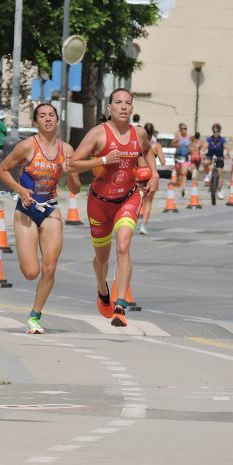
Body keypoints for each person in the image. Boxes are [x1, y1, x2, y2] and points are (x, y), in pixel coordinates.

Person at [69, 89, 158, 327]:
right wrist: (103, 160)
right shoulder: (98, 134)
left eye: (128, 103)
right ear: (109, 107)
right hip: (99, 203)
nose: (123, 107)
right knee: (102, 258)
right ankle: (102, 289)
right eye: (118, 102)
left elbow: (147, 152)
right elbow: (72, 165)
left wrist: (155, 175)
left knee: (123, 246)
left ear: (132, 108)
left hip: (128, 198)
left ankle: (120, 305)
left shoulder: (138, 134)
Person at [0, 102, 79, 334]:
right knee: (31, 272)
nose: (47, 119)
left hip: (51, 209)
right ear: (35, 122)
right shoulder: (26, 146)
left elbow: (74, 188)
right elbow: (2, 169)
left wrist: (70, 171)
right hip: (26, 211)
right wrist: (19, 190)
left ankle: (35, 316)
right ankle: (33, 309)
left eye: (51, 115)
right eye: (42, 116)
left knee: (50, 268)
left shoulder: (67, 150)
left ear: (57, 120)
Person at [137, 122, 165, 235]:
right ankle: (143, 226)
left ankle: (129, 222)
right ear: (153, 133)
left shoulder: (139, 143)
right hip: (150, 174)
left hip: (139, 173)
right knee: (148, 202)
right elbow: (163, 162)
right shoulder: (156, 146)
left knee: (138, 200)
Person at [203, 123, 227, 202]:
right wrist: (202, 151)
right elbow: (205, 146)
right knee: (205, 162)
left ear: (219, 132)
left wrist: (227, 153)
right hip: (210, 157)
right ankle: (208, 174)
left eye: (217, 131)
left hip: (219, 159)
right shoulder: (209, 139)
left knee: (219, 174)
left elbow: (227, 147)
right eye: (214, 131)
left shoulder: (222, 140)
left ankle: (219, 191)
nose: (215, 133)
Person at [172, 123, 191, 193]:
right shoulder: (178, 136)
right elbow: (172, 144)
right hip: (178, 157)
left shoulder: (189, 137)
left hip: (185, 157)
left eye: (185, 128)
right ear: (180, 130)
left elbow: (192, 146)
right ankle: (178, 182)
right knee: (178, 172)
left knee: (184, 173)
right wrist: (177, 144)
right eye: (182, 128)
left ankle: (183, 187)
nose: (184, 130)